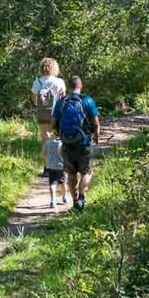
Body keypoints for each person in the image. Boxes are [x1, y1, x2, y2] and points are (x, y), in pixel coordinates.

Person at [54, 75, 101, 212]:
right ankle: (81, 198)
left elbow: (53, 123)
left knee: (71, 174)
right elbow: (96, 124)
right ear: (81, 86)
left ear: (69, 88)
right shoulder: (87, 101)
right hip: (84, 143)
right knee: (87, 171)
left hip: (67, 144)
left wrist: (60, 134)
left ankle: (74, 202)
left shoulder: (61, 102)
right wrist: (96, 137)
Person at [30, 57, 67, 141]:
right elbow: (63, 99)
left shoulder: (37, 82)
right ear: (55, 68)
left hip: (43, 113)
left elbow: (34, 100)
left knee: (45, 139)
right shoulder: (59, 81)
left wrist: (41, 104)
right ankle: (55, 153)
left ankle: (46, 154)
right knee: (56, 138)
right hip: (56, 113)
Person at [41, 135, 68, 209]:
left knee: (52, 183)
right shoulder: (63, 143)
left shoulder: (48, 142)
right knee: (63, 182)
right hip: (61, 166)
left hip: (51, 166)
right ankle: (64, 197)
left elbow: (43, 154)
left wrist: (48, 161)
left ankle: (53, 200)